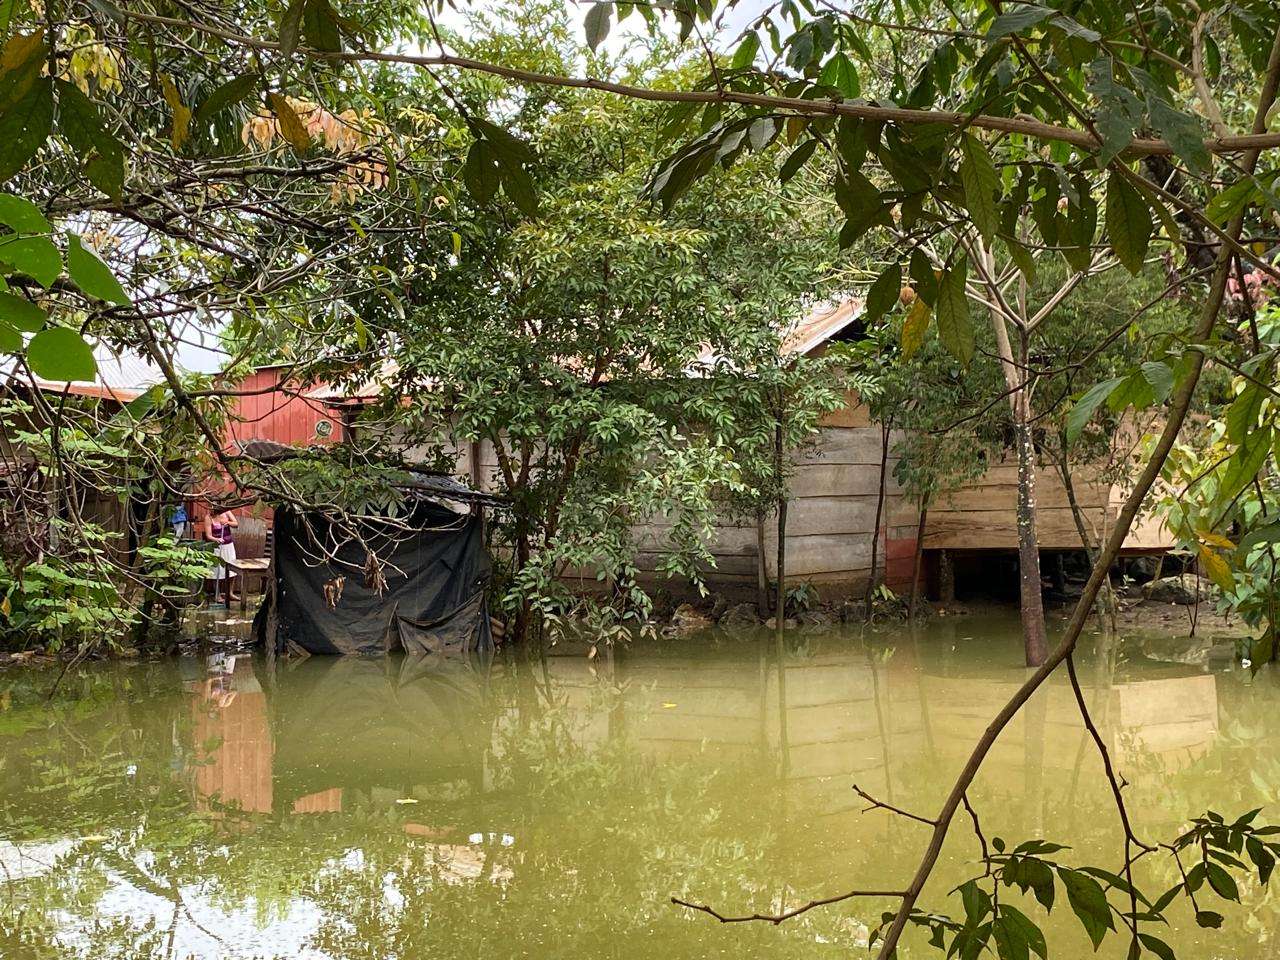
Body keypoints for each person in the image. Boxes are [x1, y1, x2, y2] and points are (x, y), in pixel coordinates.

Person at [204, 507, 240, 606]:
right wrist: (216, 539)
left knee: (232, 570)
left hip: (228, 546)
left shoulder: (227, 512)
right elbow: (208, 535)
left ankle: (230, 593)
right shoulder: (208, 517)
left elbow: (236, 524)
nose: (212, 510)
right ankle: (217, 594)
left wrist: (227, 522)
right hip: (217, 547)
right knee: (217, 571)